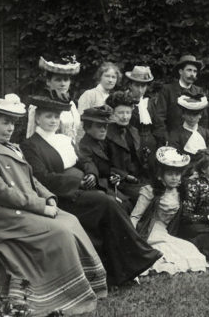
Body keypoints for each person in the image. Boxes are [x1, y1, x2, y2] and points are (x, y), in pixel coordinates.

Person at [0, 94, 107, 317]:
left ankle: (85, 285)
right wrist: (41, 207)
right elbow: (0, 193)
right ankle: (58, 294)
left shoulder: (11, 147)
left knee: (71, 221)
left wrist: (48, 197)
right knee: (59, 231)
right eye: (4, 122)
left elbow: (33, 180)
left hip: (22, 209)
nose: (10, 128)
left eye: (12, 123)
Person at [21, 95, 161, 286]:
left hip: (82, 189)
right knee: (107, 202)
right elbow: (41, 178)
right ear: (37, 118)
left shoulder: (63, 139)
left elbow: (84, 161)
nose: (53, 121)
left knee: (112, 201)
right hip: (62, 196)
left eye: (56, 117)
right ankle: (138, 256)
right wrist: (78, 181)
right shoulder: (31, 145)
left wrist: (91, 174)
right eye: (48, 117)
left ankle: (120, 270)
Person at [129, 147, 208, 274]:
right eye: (170, 174)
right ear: (160, 176)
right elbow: (135, 217)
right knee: (164, 250)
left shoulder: (180, 192)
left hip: (166, 231)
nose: (174, 178)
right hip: (149, 231)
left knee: (189, 249)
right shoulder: (150, 191)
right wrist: (132, 239)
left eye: (177, 174)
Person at [77, 105, 130, 210]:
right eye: (99, 126)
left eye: (105, 126)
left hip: (108, 183)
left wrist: (116, 176)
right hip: (96, 186)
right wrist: (92, 174)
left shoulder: (100, 142)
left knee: (128, 203)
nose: (103, 130)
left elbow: (109, 167)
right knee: (122, 206)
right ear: (87, 128)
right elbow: (87, 163)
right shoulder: (84, 146)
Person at [105, 90, 152, 204]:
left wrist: (145, 157)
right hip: (120, 183)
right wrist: (124, 176)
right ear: (112, 113)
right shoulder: (105, 134)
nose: (125, 117)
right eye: (120, 113)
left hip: (139, 178)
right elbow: (103, 165)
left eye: (128, 112)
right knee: (148, 197)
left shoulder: (133, 131)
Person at [22, 55, 82, 141]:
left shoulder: (71, 105)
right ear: (48, 82)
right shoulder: (39, 105)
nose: (62, 84)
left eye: (66, 80)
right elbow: (31, 134)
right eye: (58, 80)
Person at [151, 54, 206, 144]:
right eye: (189, 70)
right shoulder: (167, 90)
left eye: (195, 71)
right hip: (171, 138)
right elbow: (159, 117)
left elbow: (204, 118)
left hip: (193, 138)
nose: (192, 74)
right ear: (180, 71)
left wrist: (202, 136)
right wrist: (165, 138)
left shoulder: (199, 91)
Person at [167, 93, 209, 159]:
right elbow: (174, 156)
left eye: (195, 115)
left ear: (200, 115)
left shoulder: (205, 132)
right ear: (183, 115)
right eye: (189, 114)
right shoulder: (176, 134)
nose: (192, 118)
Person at [123, 65, 158, 148]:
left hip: (150, 144)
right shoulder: (124, 102)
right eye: (137, 85)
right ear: (130, 85)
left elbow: (156, 126)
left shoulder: (149, 103)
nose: (140, 90)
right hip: (130, 144)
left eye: (143, 86)